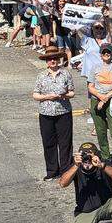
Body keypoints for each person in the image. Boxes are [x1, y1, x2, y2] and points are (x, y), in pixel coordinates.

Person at [32, 47, 75, 180]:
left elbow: (72, 92)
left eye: (55, 58)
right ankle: (52, 171)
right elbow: (35, 94)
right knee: (48, 142)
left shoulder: (66, 74)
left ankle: (66, 170)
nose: (53, 61)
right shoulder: (41, 75)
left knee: (65, 142)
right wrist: (47, 97)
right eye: (50, 59)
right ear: (46, 61)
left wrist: (63, 96)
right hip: (46, 113)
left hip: (63, 112)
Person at [88, 42, 112, 165]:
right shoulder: (95, 67)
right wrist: (101, 98)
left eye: (108, 52)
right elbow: (90, 86)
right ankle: (105, 156)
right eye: (104, 52)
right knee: (100, 131)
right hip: (96, 99)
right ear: (100, 54)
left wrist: (105, 99)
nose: (106, 54)